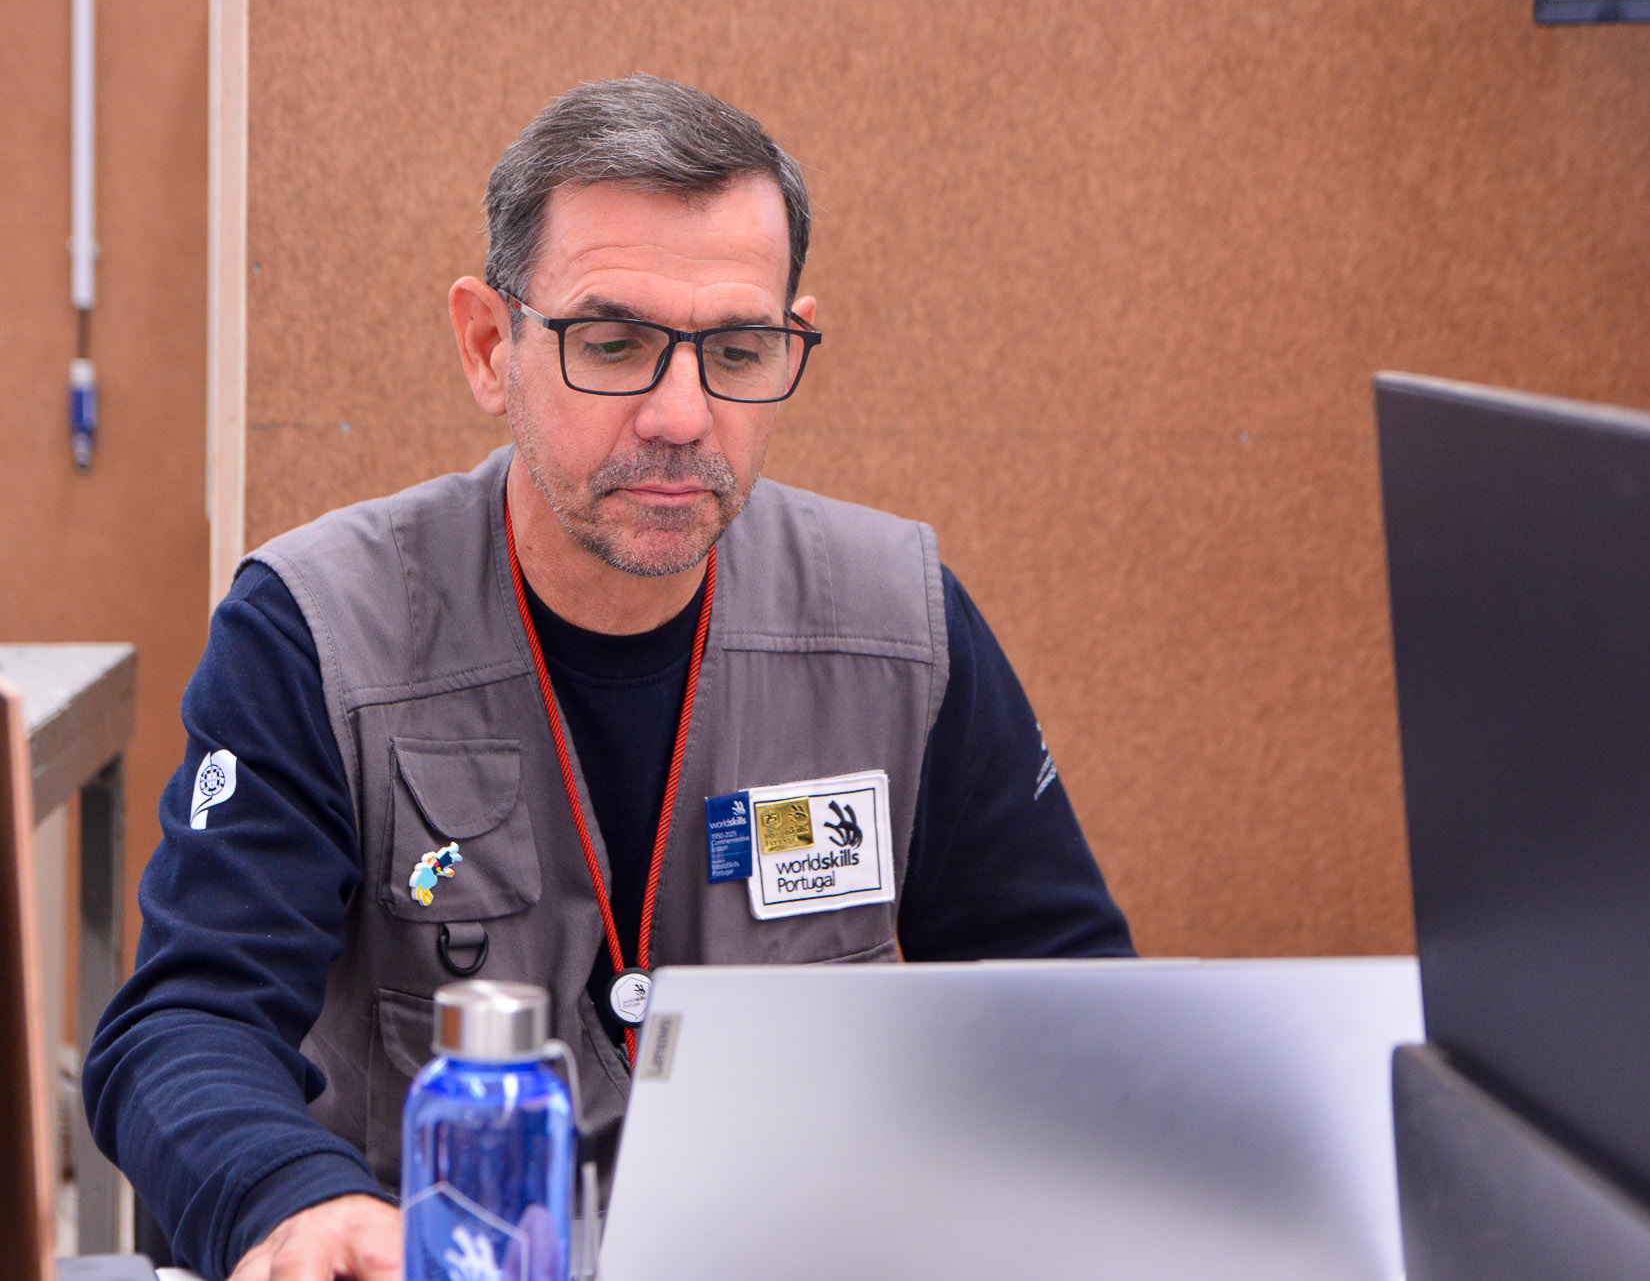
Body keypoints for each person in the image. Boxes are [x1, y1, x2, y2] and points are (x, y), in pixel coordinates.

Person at [84, 75, 1132, 1281]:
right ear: (491, 346)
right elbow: (189, 1023)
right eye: (614, 344)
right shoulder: (319, 631)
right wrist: (293, 1203)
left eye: (736, 350)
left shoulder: (899, 625)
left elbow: (1071, 1017)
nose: (681, 415)